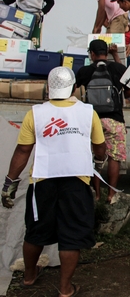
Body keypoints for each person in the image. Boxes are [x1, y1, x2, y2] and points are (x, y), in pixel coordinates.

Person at [1, 66, 106, 297]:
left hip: (42, 181)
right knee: (72, 235)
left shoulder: (35, 113)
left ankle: (29, 276)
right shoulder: (89, 112)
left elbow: (22, 151)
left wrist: (9, 182)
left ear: (49, 87)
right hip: (77, 180)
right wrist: (100, 162)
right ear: (75, 87)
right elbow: (100, 147)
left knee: (36, 231)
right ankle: (65, 288)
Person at [76, 39, 130, 204]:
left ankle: (97, 194)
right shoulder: (117, 68)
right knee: (115, 158)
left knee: (95, 157)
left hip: (92, 120)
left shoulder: (84, 71)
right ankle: (111, 195)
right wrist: (116, 56)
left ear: (92, 54)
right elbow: (128, 84)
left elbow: (76, 93)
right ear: (106, 53)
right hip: (115, 120)